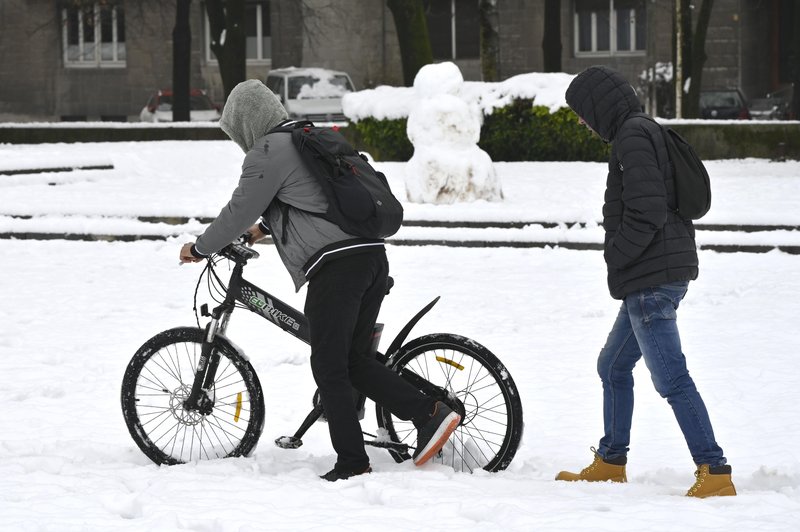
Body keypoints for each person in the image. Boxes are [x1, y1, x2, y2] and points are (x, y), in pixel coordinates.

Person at [178, 79, 461, 481]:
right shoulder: (303, 139)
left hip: (337, 269)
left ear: (245, 122)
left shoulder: (267, 151)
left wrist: (202, 248)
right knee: (351, 360)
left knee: (330, 366)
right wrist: (264, 230)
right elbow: (310, 202)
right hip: (369, 258)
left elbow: (238, 209)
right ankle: (428, 412)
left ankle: (362, 455)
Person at [555, 66, 736, 498]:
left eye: (583, 113)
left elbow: (647, 211)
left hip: (651, 277)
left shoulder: (632, 137)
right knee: (613, 365)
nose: (583, 122)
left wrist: (615, 255)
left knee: (671, 377)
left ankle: (714, 471)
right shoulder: (639, 130)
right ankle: (612, 461)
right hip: (654, 274)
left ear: (598, 105)